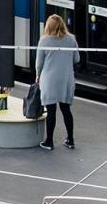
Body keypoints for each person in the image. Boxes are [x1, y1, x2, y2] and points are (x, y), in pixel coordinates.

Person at [34, 14, 79, 151]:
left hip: (50, 80)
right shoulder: (71, 39)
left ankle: (49, 141)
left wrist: (38, 75)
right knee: (66, 110)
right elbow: (77, 59)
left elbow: (39, 63)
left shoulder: (44, 40)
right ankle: (70, 140)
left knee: (51, 111)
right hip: (66, 79)